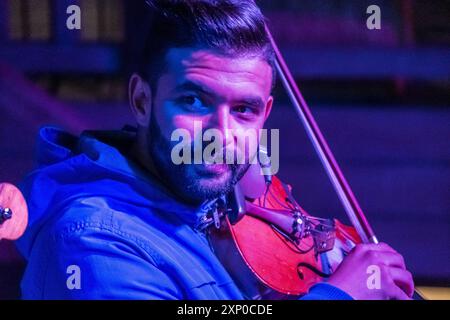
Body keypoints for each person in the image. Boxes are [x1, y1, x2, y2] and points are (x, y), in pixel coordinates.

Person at [16, 0, 414, 300]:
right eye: (193, 101)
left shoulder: (203, 189)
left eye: (244, 109)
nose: (220, 134)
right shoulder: (92, 245)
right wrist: (337, 294)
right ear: (141, 100)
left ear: (265, 113)